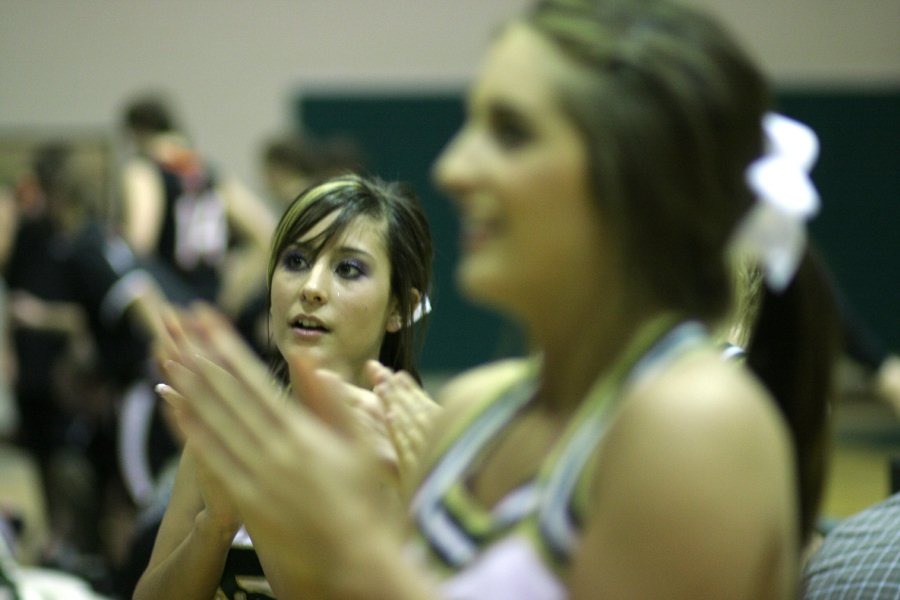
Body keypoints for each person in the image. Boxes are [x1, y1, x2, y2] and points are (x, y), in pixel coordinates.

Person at [157, 0, 841, 597]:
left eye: (510, 131)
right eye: (297, 260)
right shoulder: (473, 408)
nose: (455, 168)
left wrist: (352, 551)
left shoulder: (692, 417)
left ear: (627, 175)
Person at [132, 173, 433, 600]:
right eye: (296, 262)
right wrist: (214, 527)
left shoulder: (408, 446)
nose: (311, 288)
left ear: (399, 308)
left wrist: (254, 492)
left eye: (348, 269)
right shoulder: (227, 427)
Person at [118, 94, 276, 312]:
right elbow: (265, 230)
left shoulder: (143, 171)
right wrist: (236, 291)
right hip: (212, 303)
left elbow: (140, 241)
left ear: (136, 132)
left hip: (171, 304)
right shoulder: (207, 171)